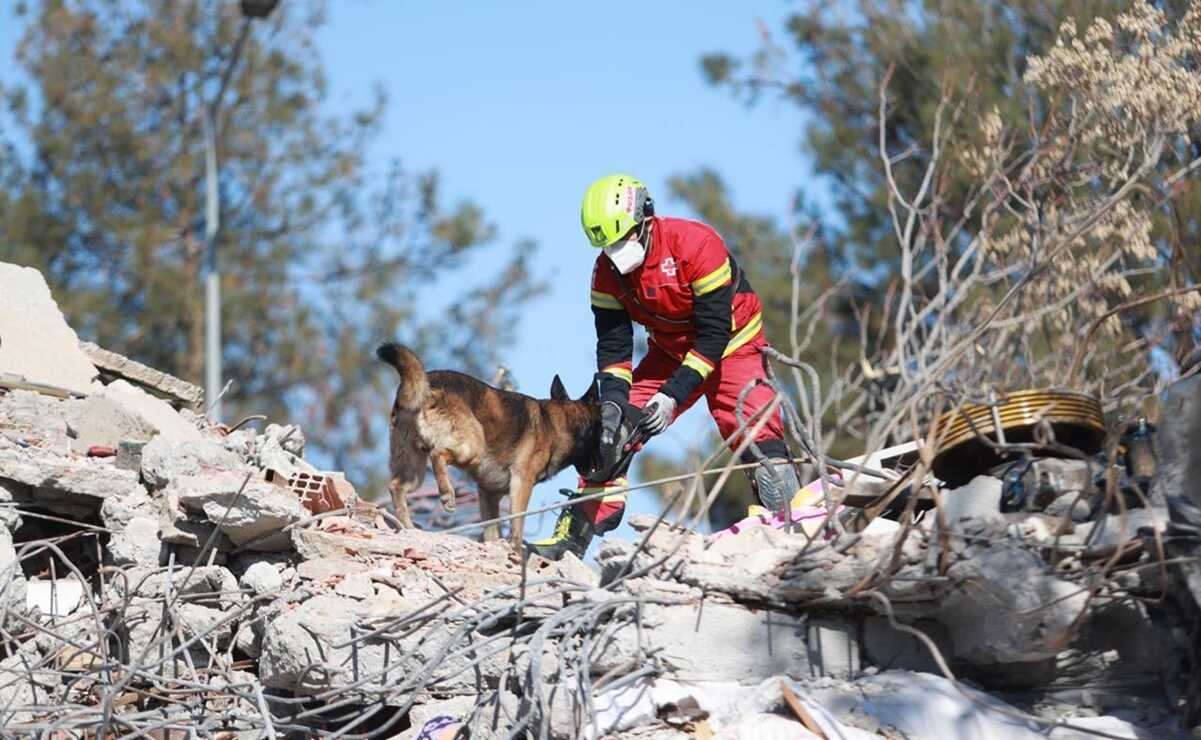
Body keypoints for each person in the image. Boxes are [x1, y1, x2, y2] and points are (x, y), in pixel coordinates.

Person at [527, 174, 801, 560]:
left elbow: (713, 336)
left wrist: (672, 396)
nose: (617, 252)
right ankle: (574, 535)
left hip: (733, 345)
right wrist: (615, 405)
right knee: (609, 434)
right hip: (669, 352)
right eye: (608, 245)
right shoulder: (605, 273)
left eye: (623, 240)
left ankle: (792, 529)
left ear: (646, 219)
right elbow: (614, 345)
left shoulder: (696, 245)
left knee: (757, 432)